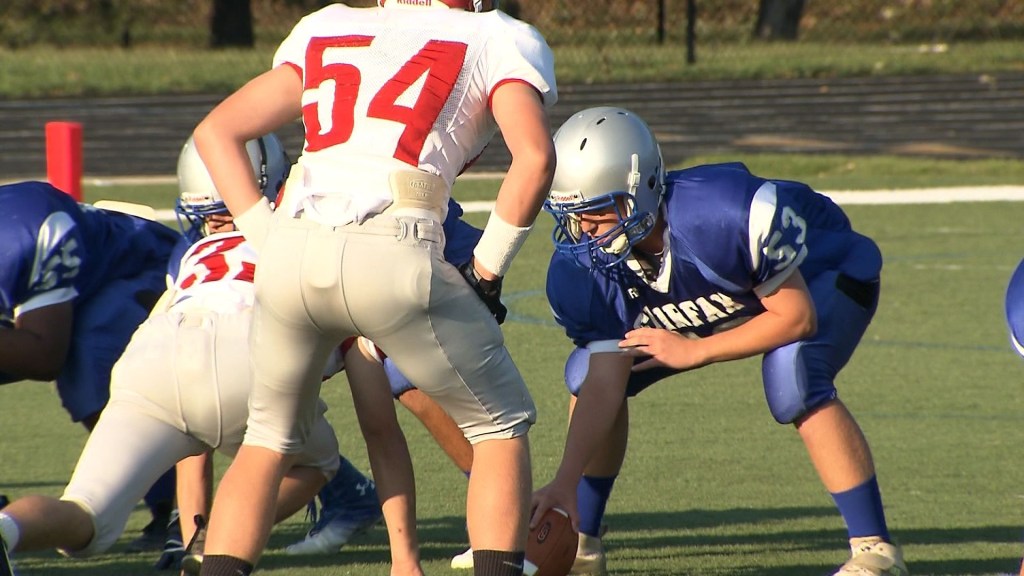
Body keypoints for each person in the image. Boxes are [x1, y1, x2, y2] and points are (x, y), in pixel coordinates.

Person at [189, 0, 557, 574]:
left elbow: (216, 132)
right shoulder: (495, 34)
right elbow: (533, 158)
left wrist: (268, 235)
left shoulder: (327, 24)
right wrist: (486, 271)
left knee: (266, 441)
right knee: (498, 426)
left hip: (293, 246)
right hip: (395, 242)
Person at [531, 106, 908, 576]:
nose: (585, 231)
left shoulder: (723, 215)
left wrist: (695, 350)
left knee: (792, 373)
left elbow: (796, 318)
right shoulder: (582, 268)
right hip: (727, 300)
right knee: (588, 371)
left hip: (822, 278)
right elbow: (605, 380)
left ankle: (875, 550)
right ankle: (583, 541)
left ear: (643, 188)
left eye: (597, 212)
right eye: (574, 216)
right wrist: (564, 483)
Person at [0, 135, 379, 576]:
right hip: (249, 356)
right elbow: (375, 417)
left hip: (152, 359)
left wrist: (186, 522)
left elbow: (193, 442)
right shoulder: (315, 244)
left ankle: (8, 529)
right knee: (317, 461)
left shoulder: (194, 250)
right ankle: (215, 545)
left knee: (84, 511)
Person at [0, 179, 183, 557]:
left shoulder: (28, 231)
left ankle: (175, 506)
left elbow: (45, 354)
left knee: (89, 370)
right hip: (62, 298)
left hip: (133, 270)